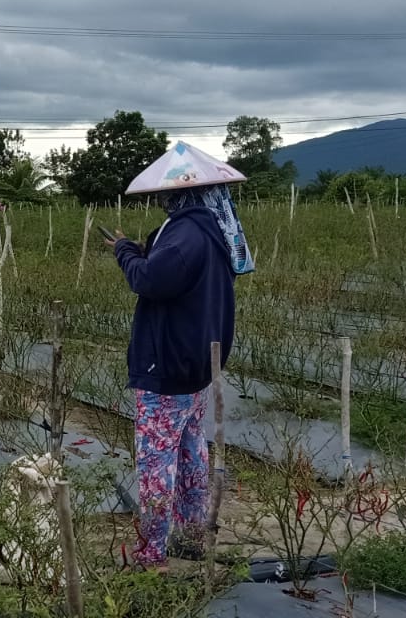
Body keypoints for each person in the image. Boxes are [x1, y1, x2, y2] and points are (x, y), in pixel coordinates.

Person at [104, 142, 253, 569]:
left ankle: (153, 552)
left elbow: (151, 280)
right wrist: (140, 247)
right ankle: (190, 533)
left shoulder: (186, 234)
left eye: (166, 195)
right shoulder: (213, 230)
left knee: (156, 459)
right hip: (196, 365)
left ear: (181, 194)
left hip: (166, 366)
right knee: (191, 450)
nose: (162, 200)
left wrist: (125, 252)